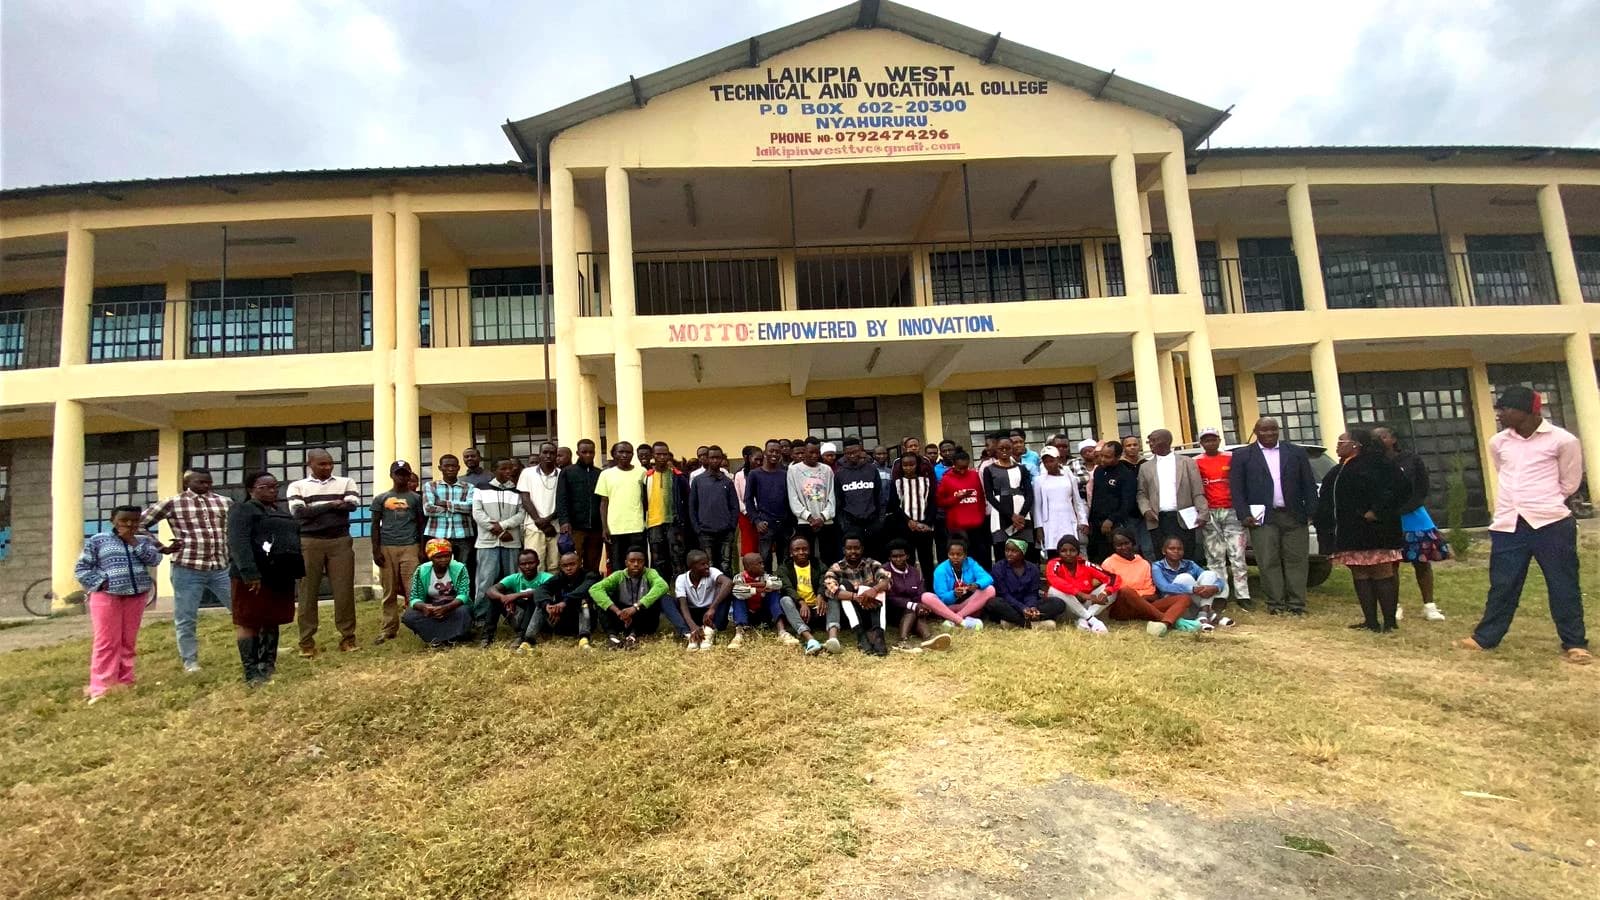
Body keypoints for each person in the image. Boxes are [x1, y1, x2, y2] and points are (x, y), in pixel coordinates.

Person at [1456, 387, 1589, 664]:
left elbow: (1570, 483)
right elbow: (1503, 473)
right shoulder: (1499, 443)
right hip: (1509, 524)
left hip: (1550, 523)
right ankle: (1485, 637)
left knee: (1562, 583)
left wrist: (1543, 501)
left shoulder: (1562, 441)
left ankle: (1575, 642)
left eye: (1506, 409)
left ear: (1528, 411)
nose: (1500, 414)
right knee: (1503, 584)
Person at [75, 506, 173, 701]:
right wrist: (102, 582)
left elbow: (154, 559)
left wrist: (133, 541)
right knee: (107, 642)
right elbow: (82, 568)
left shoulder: (144, 541)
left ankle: (125, 681)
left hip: (136, 596)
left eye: (134, 521)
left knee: (128, 642)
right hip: (107, 596)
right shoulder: (98, 540)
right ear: (113, 520)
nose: (129, 524)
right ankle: (100, 688)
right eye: (124, 520)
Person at [1314, 430, 1407, 633]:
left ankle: (1389, 623)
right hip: (1350, 532)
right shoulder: (1339, 469)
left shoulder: (1378, 464)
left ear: (1355, 445)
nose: (1337, 445)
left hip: (1377, 531)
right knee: (1360, 574)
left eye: (1341, 442)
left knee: (1381, 572)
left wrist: (1377, 510)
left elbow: (1401, 489)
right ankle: (1370, 621)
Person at [141, 467, 232, 673]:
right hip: (188, 569)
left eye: (208, 482)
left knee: (243, 610)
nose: (205, 486)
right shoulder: (172, 503)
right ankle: (190, 661)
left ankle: (263, 647)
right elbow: (139, 524)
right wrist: (160, 546)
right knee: (186, 617)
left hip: (220, 567)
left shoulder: (224, 502)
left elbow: (235, 527)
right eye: (200, 482)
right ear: (187, 483)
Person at [1228, 417, 1319, 616]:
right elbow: (1237, 489)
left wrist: (1312, 511)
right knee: (1268, 560)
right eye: (1264, 430)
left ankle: (1297, 604)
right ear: (1256, 431)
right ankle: (1275, 603)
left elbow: (1309, 484)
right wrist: (1243, 514)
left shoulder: (1295, 452)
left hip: (1294, 515)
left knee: (1296, 560)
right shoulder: (1243, 455)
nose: (1269, 434)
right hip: (1262, 518)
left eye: (1273, 430)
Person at [223, 473, 302, 684]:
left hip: (278, 576)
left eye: (275, 486)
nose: (272, 490)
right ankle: (251, 671)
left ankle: (267, 665)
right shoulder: (242, 510)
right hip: (252, 577)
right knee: (249, 620)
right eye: (265, 486)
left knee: (271, 619)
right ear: (251, 489)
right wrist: (250, 573)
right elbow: (238, 543)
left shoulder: (279, 511)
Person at [286, 448, 362, 656]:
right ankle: (306, 642)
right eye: (322, 464)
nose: (327, 467)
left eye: (330, 463)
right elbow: (299, 513)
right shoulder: (297, 486)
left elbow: (352, 505)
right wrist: (331, 504)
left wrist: (317, 509)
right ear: (309, 464)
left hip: (340, 541)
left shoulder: (345, 482)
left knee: (344, 591)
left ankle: (348, 638)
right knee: (307, 592)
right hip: (310, 542)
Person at [1374, 426, 1450, 621]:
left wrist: (1405, 507)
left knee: (1422, 562)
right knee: (1391, 564)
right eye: (1375, 437)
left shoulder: (1411, 459)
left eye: (1382, 436)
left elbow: (1422, 487)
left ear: (1393, 439)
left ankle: (1429, 606)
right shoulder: (1374, 462)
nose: (1379, 440)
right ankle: (1394, 605)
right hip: (1387, 518)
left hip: (1414, 515)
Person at [1194, 427, 1250, 610]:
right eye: (1206, 440)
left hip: (1232, 511)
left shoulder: (1231, 458)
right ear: (1201, 443)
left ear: (1219, 440)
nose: (1210, 443)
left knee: (1237, 554)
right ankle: (1220, 593)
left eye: (1213, 439)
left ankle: (1243, 595)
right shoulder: (1196, 462)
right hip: (1210, 513)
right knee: (1214, 556)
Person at [371, 461, 425, 645]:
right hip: (387, 547)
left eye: (405, 473)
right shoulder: (381, 498)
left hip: (410, 546)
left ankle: (416, 624)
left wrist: (422, 548)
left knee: (413, 589)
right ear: (391, 475)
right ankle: (389, 628)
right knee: (389, 590)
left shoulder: (416, 498)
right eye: (398, 473)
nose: (401, 477)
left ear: (410, 475)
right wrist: (375, 550)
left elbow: (420, 524)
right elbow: (375, 526)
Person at [1136, 429, 1207, 562]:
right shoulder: (1145, 467)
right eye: (1149, 441)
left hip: (1183, 518)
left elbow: (1197, 490)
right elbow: (1142, 493)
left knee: (1186, 555)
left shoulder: (1187, 462)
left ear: (1166, 441)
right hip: (1157, 519)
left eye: (1153, 441)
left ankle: (1187, 581)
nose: (1150, 444)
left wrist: (1203, 512)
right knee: (1161, 556)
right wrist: (1146, 510)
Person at [471, 457, 525, 629]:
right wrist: (496, 530)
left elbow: (521, 514)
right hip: (487, 543)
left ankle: (513, 616)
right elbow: (477, 513)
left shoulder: (517, 490)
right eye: (503, 469)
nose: (508, 472)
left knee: (511, 580)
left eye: (510, 469)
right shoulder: (481, 488)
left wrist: (502, 526)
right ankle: (481, 617)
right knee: (485, 580)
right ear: (494, 470)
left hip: (511, 542)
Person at [1099, 530, 1188, 635]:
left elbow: (1152, 594)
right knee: (1126, 590)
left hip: (1145, 607)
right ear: (1114, 546)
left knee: (1184, 598)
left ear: (1133, 543)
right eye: (1119, 545)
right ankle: (1170, 621)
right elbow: (1114, 591)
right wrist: (1135, 596)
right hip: (1122, 608)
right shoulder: (1108, 563)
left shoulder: (1143, 563)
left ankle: (1164, 624)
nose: (1123, 547)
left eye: (1126, 543)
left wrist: (1137, 599)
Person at [589, 547, 671, 649]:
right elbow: (594, 589)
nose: (636, 564)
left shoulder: (650, 573)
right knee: (601, 599)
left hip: (643, 619)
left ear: (644, 562)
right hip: (621, 617)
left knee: (654, 599)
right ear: (626, 562)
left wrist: (635, 607)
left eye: (640, 561)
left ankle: (633, 636)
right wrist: (617, 611)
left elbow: (663, 586)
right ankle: (612, 637)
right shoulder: (618, 575)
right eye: (632, 561)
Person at [515, 551, 598, 651]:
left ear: (580, 563)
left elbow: (582, 591)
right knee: (541, 603)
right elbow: (541, 590)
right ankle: (528, 641)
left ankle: (584, 640)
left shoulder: (590, 576)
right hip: (559, 621)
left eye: (572, 564)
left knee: (583, 601)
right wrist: (548, 606)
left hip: (583, 620)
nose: (568, 568)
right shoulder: (559, 577)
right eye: (565, 565)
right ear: (561, 567)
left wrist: (564, 603)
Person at [822, 536, 891, 656]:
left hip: (872, 608)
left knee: (880, 587)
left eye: (856, 548)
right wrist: (857, 596)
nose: (853, 551)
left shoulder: (872, 564)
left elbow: (887, 581)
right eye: (849, 548)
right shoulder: (836, 567)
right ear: (843, 550)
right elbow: (831, 589)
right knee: (843, 585)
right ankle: (860, 635)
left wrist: (874, 590)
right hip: (851, 611)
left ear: (862, 549)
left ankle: (878, 635)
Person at [883, 541, 954, 652]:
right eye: (894, 556)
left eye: (901, 555)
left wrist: (921, 607)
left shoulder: (914, 572)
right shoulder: (884, 571)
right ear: (889, 557)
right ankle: (902, 641)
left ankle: (929, 639)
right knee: (911, 611)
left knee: (918, 613)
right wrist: (914, 605)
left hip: (913, 609)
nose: (898, 559)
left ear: (907, 556)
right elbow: (890, 598)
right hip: (893, 610)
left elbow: (920, 592)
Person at [1152, 535, 1232, 631]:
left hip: (1192, 604)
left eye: (1179, 549)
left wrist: (1215, 588)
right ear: (1164, 551)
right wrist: (1193, 589)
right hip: (1174, 604)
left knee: (1209, 574)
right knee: (1185, 578)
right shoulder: (1157, 566)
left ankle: (1203, 614)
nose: (1176, 551)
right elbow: (1164, 587)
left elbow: (1217, 580)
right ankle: (1210, 614)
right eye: (1172, 549)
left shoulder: (1189, 564)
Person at [403, 538, 472, 647]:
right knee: (409, 616)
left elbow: (464, 595)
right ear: (430, 557)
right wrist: (424, 607)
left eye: (447, 556)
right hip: (432, 605)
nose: (444, 559)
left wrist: (447, 608)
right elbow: (414, 598)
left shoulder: (459, 568)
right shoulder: (422, 571)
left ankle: (452, 637)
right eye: (439, 557)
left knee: (464, 611)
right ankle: (436, 638)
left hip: (454, 605)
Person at [422, 453, 476, 585]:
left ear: (458, 467)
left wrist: (446, 504)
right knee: (437, 570)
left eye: (453, 466)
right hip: (437, 536)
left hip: (463, 535)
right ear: (440, 468)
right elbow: (428, 509)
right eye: (447, 466)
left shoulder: (469, 487)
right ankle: (439, 598)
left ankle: (462, 599)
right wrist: (458, 508)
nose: (450, 469)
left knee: (463, 570)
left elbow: (470, 508)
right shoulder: (430, 486)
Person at [1044, 535, 1116, 633]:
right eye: (1063, 551)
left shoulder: (1085, 564)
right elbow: (1054, 579)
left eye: (1072, 550)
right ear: (1059, 552)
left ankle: (1084, 620)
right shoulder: (1054, 564)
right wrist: (1079, 593)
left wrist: (1105, 593)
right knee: (1054, 590)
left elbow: (1112, 578)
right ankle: (1092, 620)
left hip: (1085, 606)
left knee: (1113, 589)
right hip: (1066, 609)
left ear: (1078, 552)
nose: (1068, 554)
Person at [595, 441, 649, 573]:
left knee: (639, 563)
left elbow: (646, 498)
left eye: (628, 452)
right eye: (621, 452)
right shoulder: (606, 474)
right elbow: (603, 502)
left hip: (636, 527)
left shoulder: (642, 472)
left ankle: (640, 591)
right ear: (613, 454)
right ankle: (619, 592)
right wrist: (604, 527)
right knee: (617, 565)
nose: (625, 455)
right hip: (615, 528)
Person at [643, 441, 692, 582]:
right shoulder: (647, 477)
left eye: (665, 454)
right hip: (654, 524)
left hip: (674, 524)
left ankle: (679, 592)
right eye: (658, 454)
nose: (662, 457)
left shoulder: (678, 477)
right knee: (658, 560)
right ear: (653, 455)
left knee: (677, 558)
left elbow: (687, 500)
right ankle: (661, 593)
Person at [989, 537, 1064, 629]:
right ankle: (1029, 624)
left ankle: (1014, 623)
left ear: (1022, 553)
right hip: (1009, 604)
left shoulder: (1033, 569)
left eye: (1014, 551)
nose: (1009, 554)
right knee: (993, 603)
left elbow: (1032, 593)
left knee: (1058, 603)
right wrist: (1022, 608)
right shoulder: (999, 567)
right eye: (1007, 550)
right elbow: (1004, 595)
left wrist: (1031, 607)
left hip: (1027, 605)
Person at [484, 548, 552, 648]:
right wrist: (504, 598)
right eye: (523, 564)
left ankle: (522, 637)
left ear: (538, 562)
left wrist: (516, 596)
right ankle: (487, 637)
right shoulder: (514, 578)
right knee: (496, 598)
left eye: (531, 563)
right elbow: (490, 590)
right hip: (520, 616)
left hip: (541, 620)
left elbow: (542, 592)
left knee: (535, 598)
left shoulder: (547, 577)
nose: (527, 567)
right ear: (519, 565)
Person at [690, 445, 742, 572]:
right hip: (705, 531)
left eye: (717, 458)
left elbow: (734, 506)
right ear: (706, 459)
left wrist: (731, 527)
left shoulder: (727, 481)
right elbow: (692, 506)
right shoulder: (698, 481)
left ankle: (727, 591)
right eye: (712, 458)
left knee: (726, 564)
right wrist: (697, 528)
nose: (714, 461)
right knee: (709, 566)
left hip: (725, 531)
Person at [983, 437, 1034, 563]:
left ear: (1012, 449)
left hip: (1021, 512)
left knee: (1024, 551)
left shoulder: (1022, 468)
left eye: (1008, 448)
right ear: (996, 450)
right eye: (1001, 448)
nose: (1004, 451)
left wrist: (1021, 516)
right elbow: (990, 496)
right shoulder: (989, 469)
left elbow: (1029, 494)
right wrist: (1011, 516)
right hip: (1000, 514)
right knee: (1002, 551)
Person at [787, 438, 839, 563]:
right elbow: (793, 498)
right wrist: (809, 518)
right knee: (806, 556)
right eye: (811, 452)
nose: (814, 456)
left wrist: (823, 517)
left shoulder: (827, 470)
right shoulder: (794, 470)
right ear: (804, 451)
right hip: (805, 522)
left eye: (817, 452)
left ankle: (829, 580)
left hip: (826, 521)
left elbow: (831, 496)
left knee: (828, 555)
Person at [556, 439, 604, 574]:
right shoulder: (567, 472)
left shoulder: (599, 473)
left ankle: (589, 592)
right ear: (578, 453)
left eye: (591, 452)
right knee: (573, 563)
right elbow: (561, 498)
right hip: (575, 527)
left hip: (596, 528)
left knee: (593, 563)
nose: (588, 455)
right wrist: (564, 521)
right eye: (584, 452)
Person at [775, 536, 829, 655]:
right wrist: (801, 602)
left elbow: (824, 581)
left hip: (818, 609)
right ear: (791, 553)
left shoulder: (818, 565)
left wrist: (820, 595)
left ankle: (832, 639)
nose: (801, 552)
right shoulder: (784, 568)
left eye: (805, 549)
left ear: (809, 551)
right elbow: (787, 588)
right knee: (785, 600)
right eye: (797, 549)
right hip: (799, 611)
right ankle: (809, 638)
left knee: (834, 597)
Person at [889, 452, 938, 583]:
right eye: (905, 465)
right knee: (908, 561)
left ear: (917, 465)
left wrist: (927, 523)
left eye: (912, 464)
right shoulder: (897, 483)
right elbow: (894, 505)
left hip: (924, 528)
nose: (908, 468)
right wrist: (908, 521)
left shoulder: (926, 482)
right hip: (905, 528)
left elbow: (933, 503)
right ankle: (909, 588)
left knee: (927, 561)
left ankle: (929, 590)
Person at [1088, 441, 1139, 564]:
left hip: (1115, 524)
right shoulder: (1099, 471)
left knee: (1114, 556)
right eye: (1102, 455)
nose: (1103, 459)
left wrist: (1111, 519)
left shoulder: (1126, 475)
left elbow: (1128, 502)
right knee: (1097, 557)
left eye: (1107, 457)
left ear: (1117, 457)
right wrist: (1090, 520)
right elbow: (1095, 497)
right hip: (1096, 523)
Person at [936, 450, 989, 568]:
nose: (963, 471)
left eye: (965, 467)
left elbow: (981, 497)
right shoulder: (946, 478)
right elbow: (940, 502)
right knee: (961, 557)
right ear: (954, 464)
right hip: (957, 527)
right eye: (959, 468)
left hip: (977, 524)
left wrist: (981, 516)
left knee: (981, 555)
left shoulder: (975, 475)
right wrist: (956, 498)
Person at [745, 439, 793, 569]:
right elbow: (748, 500)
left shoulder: (786, 474)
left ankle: (783, 587)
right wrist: (756, 521)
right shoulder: (754, 474)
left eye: (777, 451)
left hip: (784, 524)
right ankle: (768, 587)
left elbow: (791, 498)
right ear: (765, 452)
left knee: (784, 560)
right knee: (765, 559)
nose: (774, 454)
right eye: (771, 451)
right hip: (765, 525)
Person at [835, 437, 886, 558]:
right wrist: (843, 524)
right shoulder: (840, 473)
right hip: (851, 524)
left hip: (872, 522)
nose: (852, 455)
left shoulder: (872, 469)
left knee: (875, 557)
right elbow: (838, 501)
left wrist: (880, 520)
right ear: (844, 453)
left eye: (855, 452)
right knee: (854, 558)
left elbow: (879, 496)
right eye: (848, 453)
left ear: (861, 451)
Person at [930, 537, 996, 630]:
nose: (955, 557)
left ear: (965, 555)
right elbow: (942, 598)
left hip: (968, 604)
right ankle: (963, 620)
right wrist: (954, 594)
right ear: (948, 554)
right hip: (949, 607)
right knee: (926, 596)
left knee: (990, 589)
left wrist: (976, 584)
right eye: (951, 554)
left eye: (959, 554)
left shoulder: (971, 563)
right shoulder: (941, 570)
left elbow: (988, 578)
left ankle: (955, 618)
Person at [674, 549, 734, 651]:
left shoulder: (712, 571)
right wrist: (693, 626)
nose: (707, 567)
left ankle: (709, 632)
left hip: (711, 615)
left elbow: (728, 583)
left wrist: (712, 608)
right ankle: (690, 634)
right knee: (671, 600)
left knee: (727, 593)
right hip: (693, 614)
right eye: (703, 564)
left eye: (707, 563)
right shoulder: (681, 579)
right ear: (692, 567)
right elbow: (683, 606)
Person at [1033, 445, 1086, 559]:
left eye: (1051, 461)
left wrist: (1083, 521)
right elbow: (1037, 506)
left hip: (1068, 520)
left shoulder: (1068, 476)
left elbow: (1077, 500)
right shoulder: (1039, 480)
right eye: (1045, 462)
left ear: (1058, 459)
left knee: (1070, 551)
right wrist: (1039, 527)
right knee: (1053, 553)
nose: (1049, 464)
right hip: (1050, 523)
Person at [517, 442, 562, 573]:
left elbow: (564, 501)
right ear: (539, 454)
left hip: (555, 527)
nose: (548, 456)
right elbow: (525, 498)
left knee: (555, 565)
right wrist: (540, 522)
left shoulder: (562, 474)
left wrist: (548, 520)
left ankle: (552, 593)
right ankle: (534, 593)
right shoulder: (527, 473)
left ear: (556, 455)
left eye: (552, 453)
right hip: (533, 526)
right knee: (534, 565)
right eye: (545, 452)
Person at [1068, 438, 1098, 504]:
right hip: (1082, 501)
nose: (1087, 453)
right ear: (1081, 454)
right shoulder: (1075, 465)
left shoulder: (1101, 465)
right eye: (1084, 452)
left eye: (1090, 451)